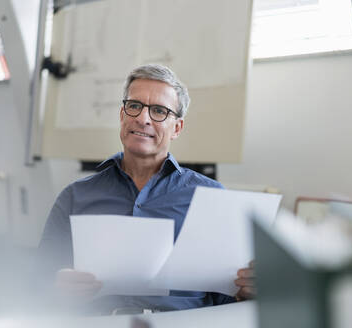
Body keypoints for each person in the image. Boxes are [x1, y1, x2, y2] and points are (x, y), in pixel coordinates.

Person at [38, 64, 255, 314]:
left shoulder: (211, 198)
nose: (143, 118)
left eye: (159, 111)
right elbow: (39, 280)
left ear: (177, 128)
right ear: (122, 115)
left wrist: (247, 291)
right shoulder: (75, 196)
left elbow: (226, 300)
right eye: (134, 106)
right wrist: (56, 285)